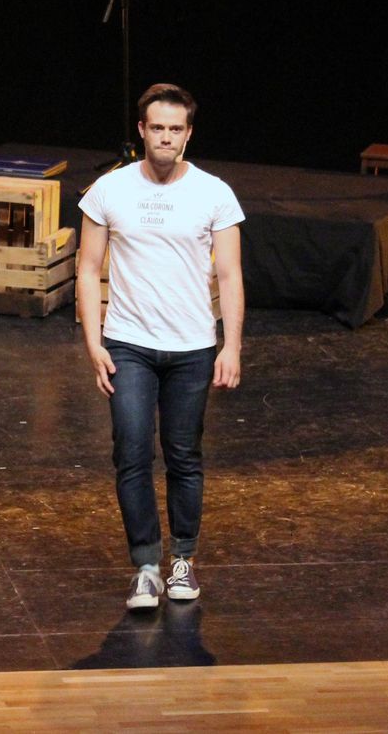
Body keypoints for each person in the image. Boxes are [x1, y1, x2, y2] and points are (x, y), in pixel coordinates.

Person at [76, 83, 245, 610]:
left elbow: (231, 274)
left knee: (183, 456)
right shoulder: (110, 190)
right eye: (157, 128)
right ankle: (146, 565)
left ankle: (182, 561)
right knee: (130, 452)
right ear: (142, 131)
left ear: (188, 133)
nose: (166, 137)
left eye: (176, 129)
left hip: (193, 347)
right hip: (128, 344)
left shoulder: (214, 193)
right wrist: (93, 342)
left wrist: (231, 345)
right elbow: (86, 268)